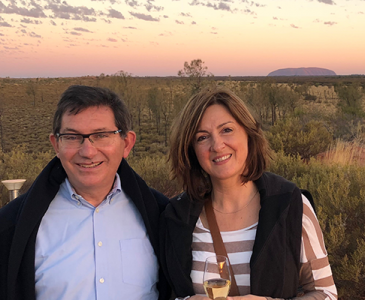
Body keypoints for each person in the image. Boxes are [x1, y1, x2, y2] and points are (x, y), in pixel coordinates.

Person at [161, 86, 337, 300]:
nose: (217, 145)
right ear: (191, 151)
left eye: (227, 130)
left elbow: (325, 293)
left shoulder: (289, 205)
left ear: (248, 133)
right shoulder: (177, 217)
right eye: (202, 137)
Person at [0, 85, 170, 300]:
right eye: (72, 137)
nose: (87, 151)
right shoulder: (12, 227)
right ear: (56, 145)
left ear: (127, 144)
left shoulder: (161, 214)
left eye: (101, 135)